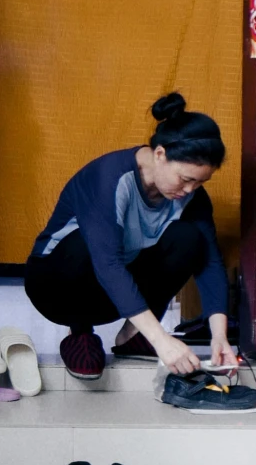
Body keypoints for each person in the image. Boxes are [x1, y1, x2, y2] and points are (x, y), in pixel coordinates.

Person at [23, 91, 238, 385]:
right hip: (55, 287)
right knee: (86, 244)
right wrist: (162, 340)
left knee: (190, 239)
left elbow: (210, 262)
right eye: (186, 179)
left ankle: (132, 336)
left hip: (114, 293)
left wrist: (219, 337)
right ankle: (80, 333)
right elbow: (108, 264)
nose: (190, 189)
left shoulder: (190, 197)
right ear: (160, 154)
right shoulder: (109, 178)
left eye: (200, 182)